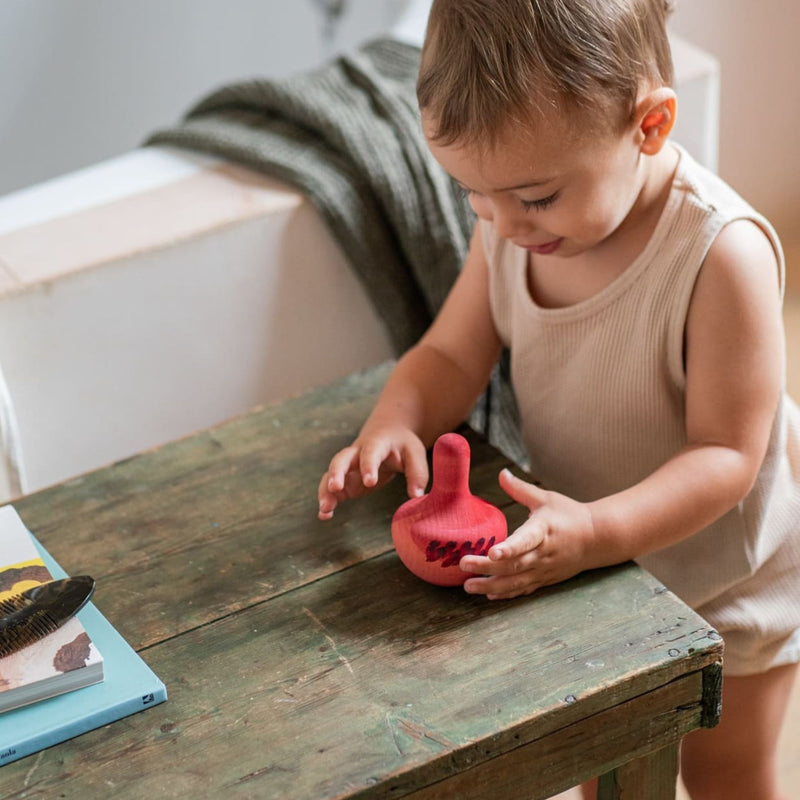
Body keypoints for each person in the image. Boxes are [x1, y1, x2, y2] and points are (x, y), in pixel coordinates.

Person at [317, 1, 800, 797]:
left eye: (535, 197)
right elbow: (450, 351)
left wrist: (595, 532)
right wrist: (396, 419)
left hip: (728, 576)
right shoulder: (513, 227)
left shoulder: (721, 257)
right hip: (589, 559)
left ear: (649, 125)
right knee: (605, 769)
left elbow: (727, 458)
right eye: (474, 196)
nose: (504, 224)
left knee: (728, 772)